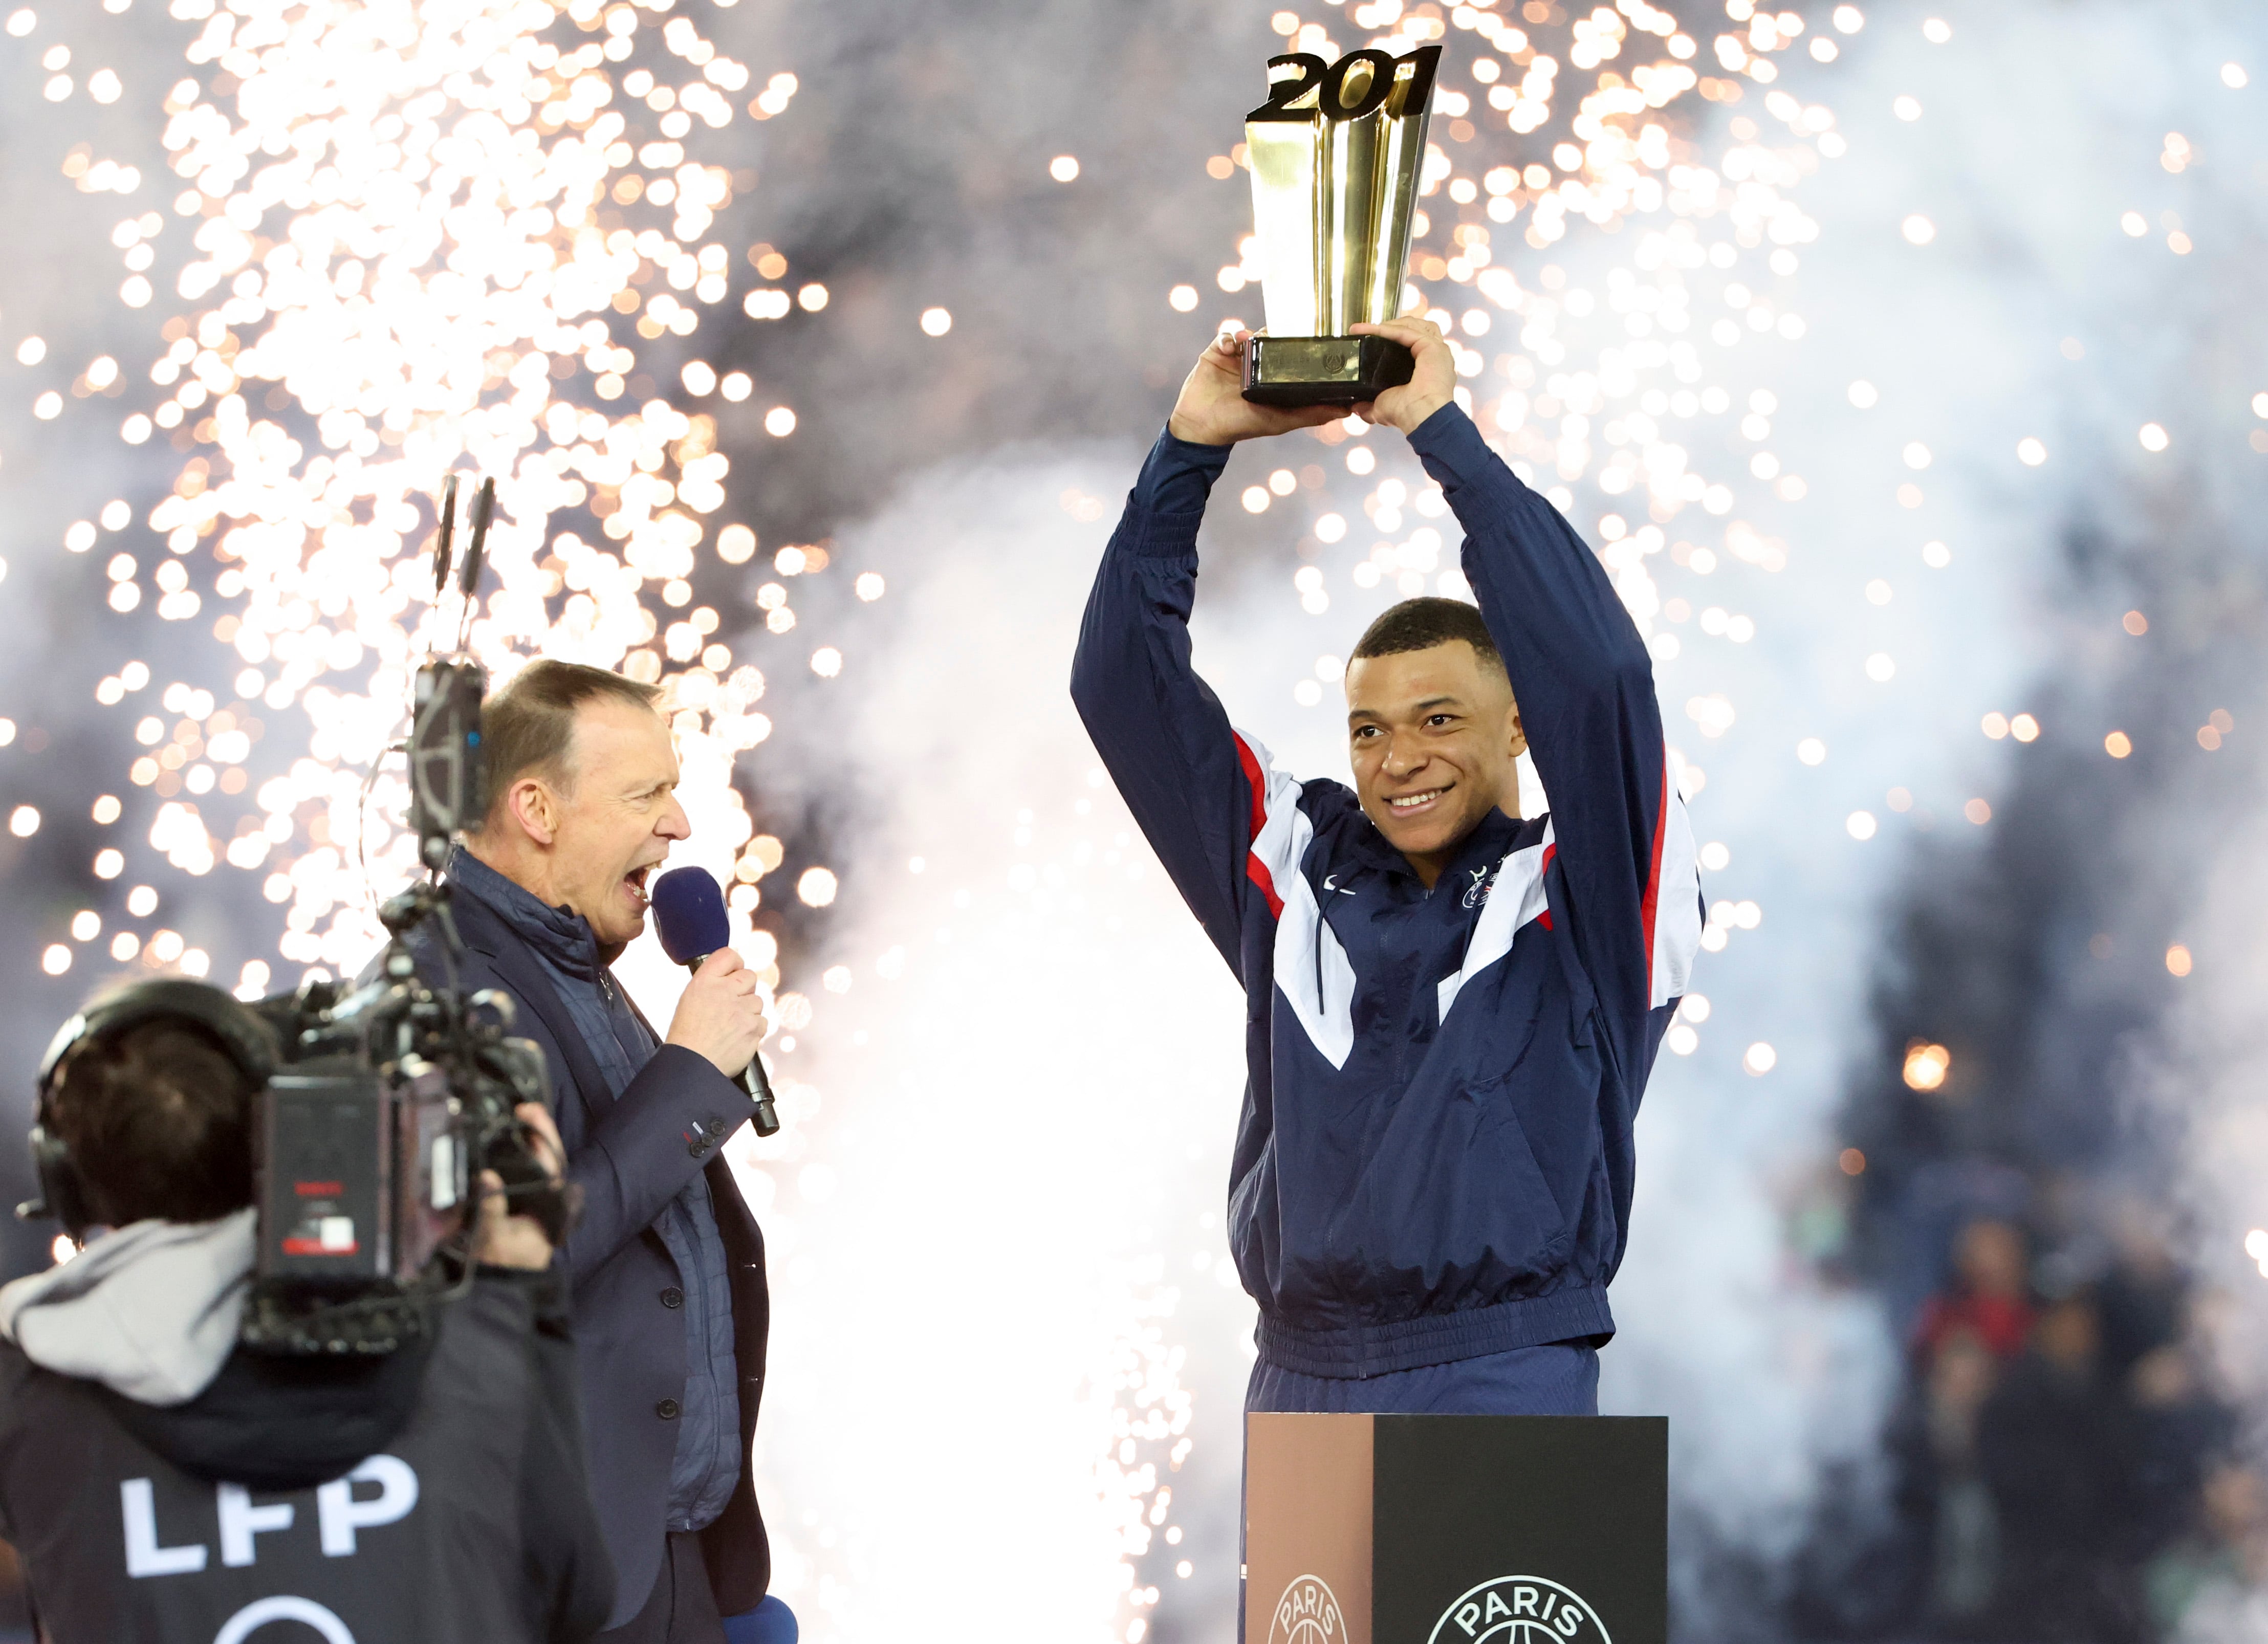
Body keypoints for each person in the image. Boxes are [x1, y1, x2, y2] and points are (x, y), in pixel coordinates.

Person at [1072, 318, 1702, 1418]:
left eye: (1437, 717)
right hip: (1299, 1371)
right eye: (1366, 729)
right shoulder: (1294, 867)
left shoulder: (1591, 887)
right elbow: (1120, 688)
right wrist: (1187, 452)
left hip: (1501, 1367)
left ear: (1519, 728)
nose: (1396, 758)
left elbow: (1598, 675)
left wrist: (1443, 436)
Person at [0, 979, 613, 1641]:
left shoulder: (25, 1403)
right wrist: (519, 1286)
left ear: (66, 1175)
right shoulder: (470, 1343)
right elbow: (578, 1596)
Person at [408, 658, 792, 1643]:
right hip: (568, 1581)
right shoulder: (444, 986)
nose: (680, 825)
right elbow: (517, 1253)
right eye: (647, 794)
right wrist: (692, 1073)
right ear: (536, 808)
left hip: (674, 1557)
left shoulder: (573, 958)